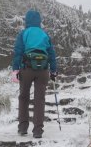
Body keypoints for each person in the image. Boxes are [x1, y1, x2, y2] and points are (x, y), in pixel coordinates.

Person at [11, 10, 57, 138]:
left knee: (24, 97)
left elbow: (18, 52)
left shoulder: (23, 33)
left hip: (26, 69)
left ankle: (23, 128)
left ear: (26, 20)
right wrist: (53, 71)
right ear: (39, 21)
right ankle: (37, 131)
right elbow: (52, 54)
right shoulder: (44, 34)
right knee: (39, 100)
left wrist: (16, 69)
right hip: (43, 71)